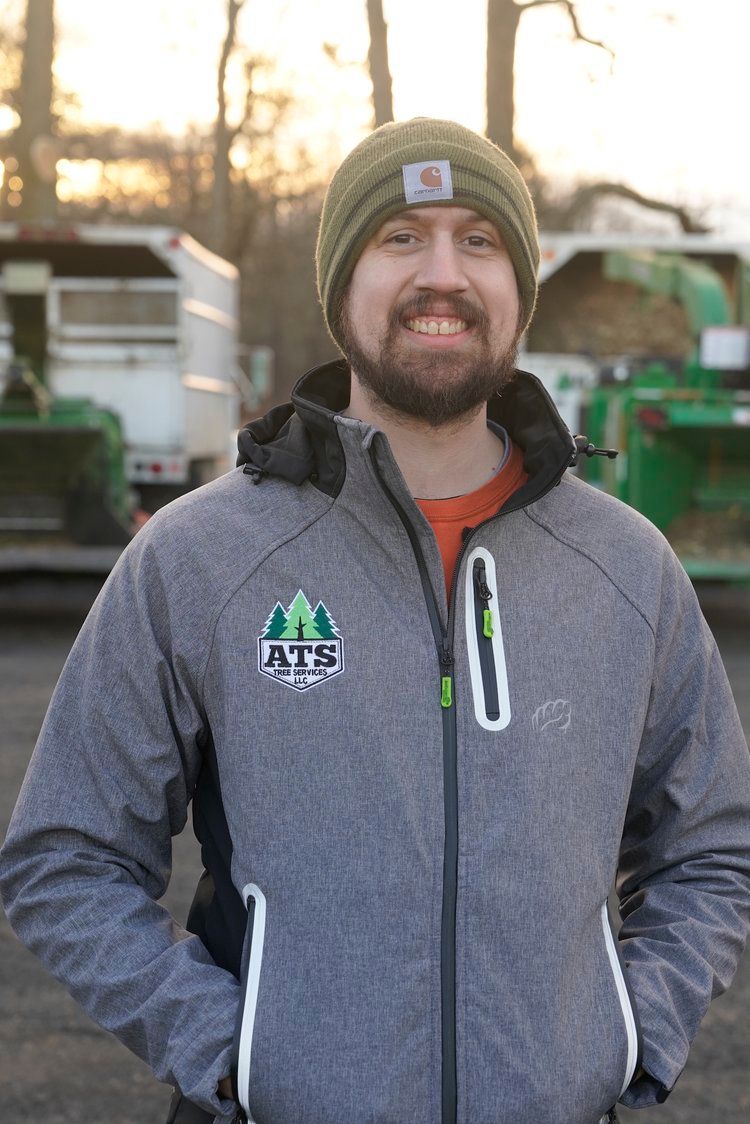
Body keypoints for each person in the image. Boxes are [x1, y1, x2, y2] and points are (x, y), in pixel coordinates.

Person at [1, 118, 749, 1124]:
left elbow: (714, 846)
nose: (443, 273)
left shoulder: (626, 567)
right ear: (339, 287)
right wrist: (233, 1056)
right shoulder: (199, 557)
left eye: (478, 239)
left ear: (519, 290)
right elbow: (64, 852)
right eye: (401, 236)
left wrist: (630, 1027)